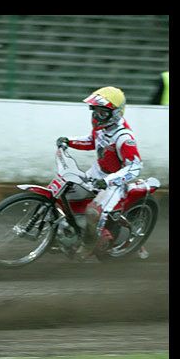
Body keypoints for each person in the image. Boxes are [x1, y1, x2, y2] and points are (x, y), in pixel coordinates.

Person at [56, 86, 142, 258]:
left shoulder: (124, 138)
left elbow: (135, 167)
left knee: (92, 212)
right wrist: (69, 141)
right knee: (66, 191)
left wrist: (109, 180)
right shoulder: (102, 127)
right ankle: (71, 229)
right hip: (96, 172)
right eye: (95, 111)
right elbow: (91, 141)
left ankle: (88, 244)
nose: (96, 116)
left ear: (115, 113)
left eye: (102, 113)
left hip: (114, 182)